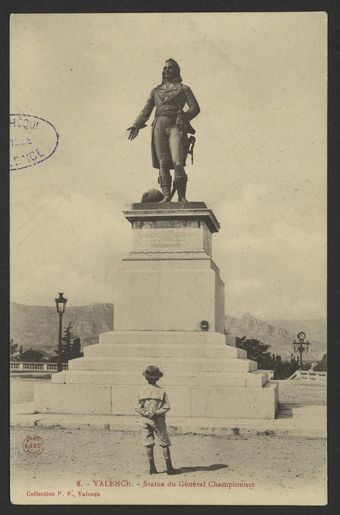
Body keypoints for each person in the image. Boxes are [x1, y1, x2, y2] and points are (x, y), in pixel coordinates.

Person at [128, 59, 200, 203]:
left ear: (177, 70)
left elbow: (195, 108)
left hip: (176, 125)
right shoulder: (156, 91)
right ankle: (166, 196)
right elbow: (146, 111)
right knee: (163, 163)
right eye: (165, 68)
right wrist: (136, 125)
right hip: (159, 124)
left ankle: (181, 197)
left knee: (177, 162)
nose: (167, 70)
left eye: (171, 68)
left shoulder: (184, 89)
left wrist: (184, 117)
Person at [135, 365, 177, 475]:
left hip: (145, 419)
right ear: (158, 378)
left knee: (148, 444)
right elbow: (167, 406)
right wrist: (156, 413)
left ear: (146, 378)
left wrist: (147, 414)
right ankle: (169, 468)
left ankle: (152, 468)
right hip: (158, 420)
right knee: (164, 443)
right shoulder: (161, 391)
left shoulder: (141, 390)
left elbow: (137, 407)